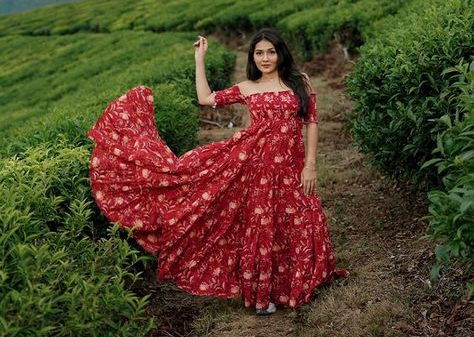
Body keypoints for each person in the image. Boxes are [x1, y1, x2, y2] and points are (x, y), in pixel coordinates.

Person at [88, 27, 348, 316]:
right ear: (253, 57)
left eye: (270, 52)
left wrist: (310, 164)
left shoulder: (300, 82)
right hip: (255, 168)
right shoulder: (248, 87)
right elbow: (207, 98)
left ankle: (297, 281)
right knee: (261, 228)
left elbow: (311, 122)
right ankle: (263, 294)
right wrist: (200, 59)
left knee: (299, 218)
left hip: (292, 166)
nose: (265, 58)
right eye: (259, 53)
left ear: (280, 53)